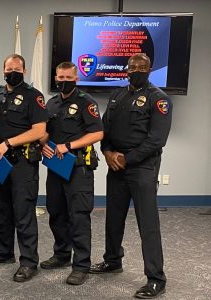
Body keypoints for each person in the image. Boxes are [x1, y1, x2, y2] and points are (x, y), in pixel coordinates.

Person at [90, 53, 172, 299]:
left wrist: (128, 158)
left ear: (149, 69)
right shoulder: (117, 95)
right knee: (113, 218)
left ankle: (156, 278)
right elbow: (104, 129)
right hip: (115, 166)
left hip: (142, 168)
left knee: (148, 224)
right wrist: (106, 153)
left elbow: (157, 139)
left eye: (142, 67)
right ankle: (113, 260)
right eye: (133, 66)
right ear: (126, 69)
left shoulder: (159, 99)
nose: (136, 70)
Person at [0, 54, 48, 283]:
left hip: (22, 162)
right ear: (3, 70)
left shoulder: (34, 96)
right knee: (0, 208)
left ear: (24, 70)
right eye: (9, 68)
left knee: (23, 212)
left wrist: (8, 143)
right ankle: (4, 251)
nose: (12, 72)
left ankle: (29, 262)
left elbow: (39, 131)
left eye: (17, 69)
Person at [39, 61, 103, 285]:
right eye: (60, 78)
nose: (64, 82)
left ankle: (81, 265)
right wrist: (43, 144)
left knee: (78, 216)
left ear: (76, 79)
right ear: (55, 78)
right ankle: (61, 255)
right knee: (56, 212)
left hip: (78, 167)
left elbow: (97, 134)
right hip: (56, 167)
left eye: (68, 79)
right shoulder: (52, 103)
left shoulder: (86, 102)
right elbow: (46, 133)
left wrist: (68, 146)